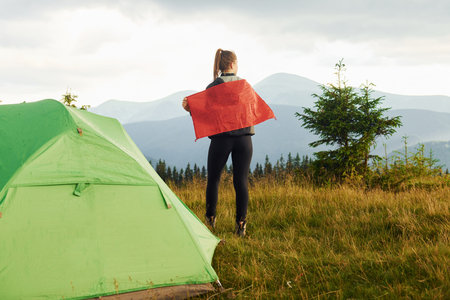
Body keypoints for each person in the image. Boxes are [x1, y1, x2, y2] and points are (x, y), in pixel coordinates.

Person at [182, 49, 253, 237]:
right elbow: (251, 110)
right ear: (231, 64)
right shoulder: (245, 85)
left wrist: (189, 108)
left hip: (222, 139)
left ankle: (210, 220)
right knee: (241, 181)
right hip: (245, 139)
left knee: (213, 179)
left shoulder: (213, 86)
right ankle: (241, 225)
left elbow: (205, 114)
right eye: (236, 62)